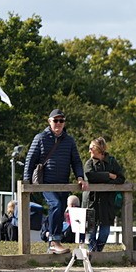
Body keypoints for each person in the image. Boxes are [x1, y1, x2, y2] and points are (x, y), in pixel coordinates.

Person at [23, 108, 85, 254]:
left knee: (60, 209)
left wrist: (80, 177)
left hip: (63, 183)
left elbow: (76, 161)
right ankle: (54, 241)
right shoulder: (40, 138)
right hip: (46, 182)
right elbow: (30, 160)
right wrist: (26, 180)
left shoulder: (69, 140)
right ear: (49, 121)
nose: (58, 123)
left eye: (61, 120)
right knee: (55, 204)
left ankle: (52, 241)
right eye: (55, 120)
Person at [83, 137, 126, 252]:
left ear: (98, 149)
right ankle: (93, 253)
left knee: (105, 230)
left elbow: (121, 178)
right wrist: (108, 175)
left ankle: (98, 252)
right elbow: (90, 176)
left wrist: (105, 182)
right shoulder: (89, 163)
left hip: (107, 202)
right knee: (90, 230)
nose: (89, 150)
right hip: (91, 201)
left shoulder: (111, 162)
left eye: (91, 148)